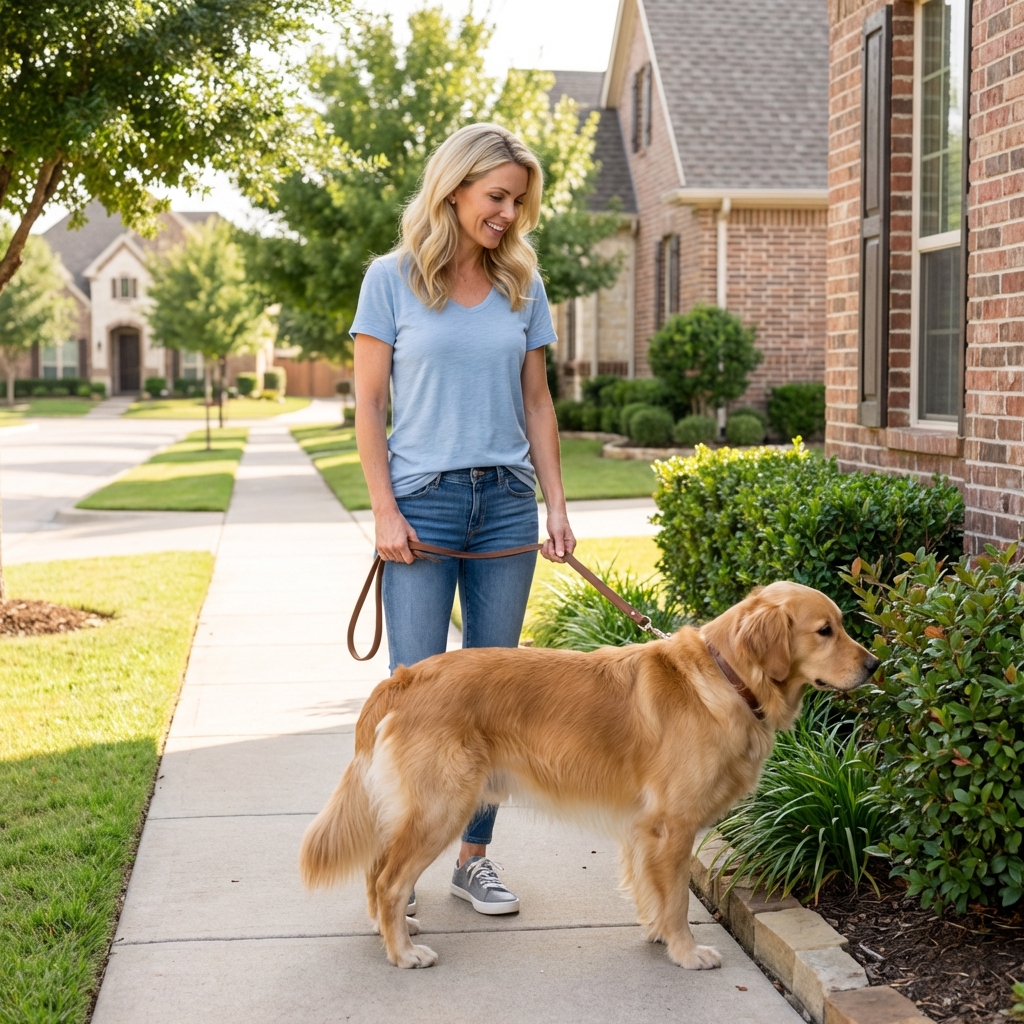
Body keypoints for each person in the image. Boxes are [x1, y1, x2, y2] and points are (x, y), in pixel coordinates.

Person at [350, 122, 576, 916]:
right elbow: (369, 405)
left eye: (518, 200)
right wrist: (384, 510)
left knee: (495, 696)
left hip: (507, 505)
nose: (509, 214)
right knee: (417, 695)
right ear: (454, 189)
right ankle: (399, 862)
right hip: (425, 504)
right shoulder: (390, 279)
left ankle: (472, 859)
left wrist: (555, 504)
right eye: (497, 197)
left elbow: (538, 403)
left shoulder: (524, 285)